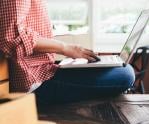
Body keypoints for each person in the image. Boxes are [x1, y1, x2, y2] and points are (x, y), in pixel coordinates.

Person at [0, 0, 135, 105]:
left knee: (119, 69)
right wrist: (66, 48)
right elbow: (11, 36)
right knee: (125, 73)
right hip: (33, 82)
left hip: (43, 70)